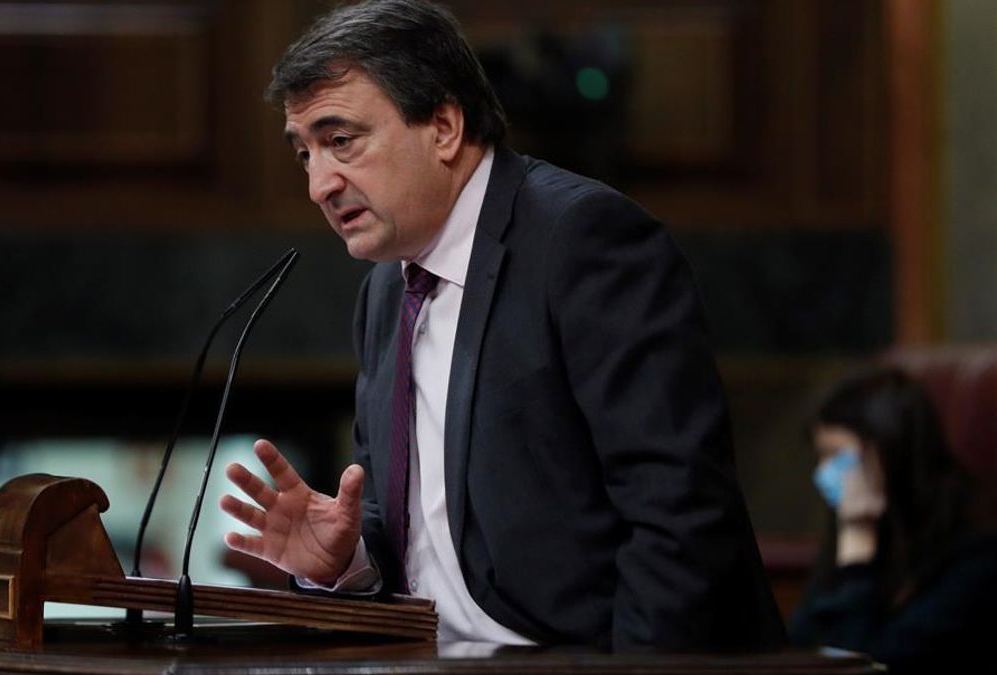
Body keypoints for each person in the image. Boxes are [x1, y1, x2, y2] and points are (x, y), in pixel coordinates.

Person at [217, 0, 785, 650]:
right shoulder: (384, 291)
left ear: (445, 127)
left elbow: (679, 510)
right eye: (305, 154)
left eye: (340, 140)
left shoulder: (581, 242)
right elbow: (431, 531)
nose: (320, 182)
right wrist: (345, 561)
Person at [789, 367, 997, 672]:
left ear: (890, 449)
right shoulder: (858, 532)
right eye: (820, 456)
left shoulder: (976, 557)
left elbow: (864, 663)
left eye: (836, 454)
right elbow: (800, 640)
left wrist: (858, 554)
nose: (823, 472)